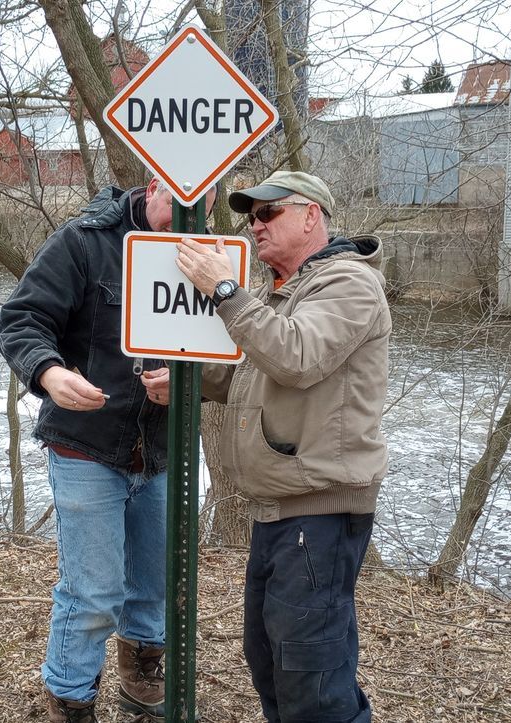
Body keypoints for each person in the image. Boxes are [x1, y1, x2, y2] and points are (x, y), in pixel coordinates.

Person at [0, 178, 215, 723]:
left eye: (201, 208)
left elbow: (225, 346)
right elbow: (21, 320)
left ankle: (141, 676)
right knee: (93, 591)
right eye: (177, 206)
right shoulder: (83, 241)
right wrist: (49, 373)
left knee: (158, 583)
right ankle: (71, 698)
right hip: (86, 444)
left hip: (163, 450)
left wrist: (191, 381)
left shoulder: (212, 258)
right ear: (153, 186)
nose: (186, 221)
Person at [175, 171, 391, 722]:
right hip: (279, 509)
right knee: (270, 660)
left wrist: (227, 292)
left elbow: (296, 358)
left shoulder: (349, 282)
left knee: (309, 677)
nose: (256, 225)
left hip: (321, 510)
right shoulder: (288, 291)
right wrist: (184, 381)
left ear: (311, 215)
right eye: (252, 216)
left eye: (269, 213)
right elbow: (256, 374)